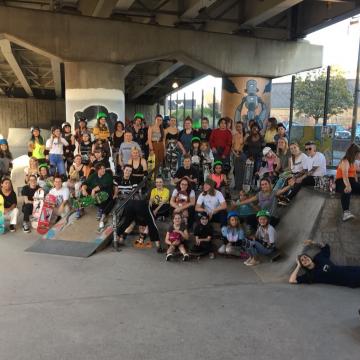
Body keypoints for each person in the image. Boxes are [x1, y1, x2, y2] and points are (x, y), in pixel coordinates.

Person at [289, 240, 360, 287]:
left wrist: (313, 242)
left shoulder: (319, 258)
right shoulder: (310, 275)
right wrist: (298, 265)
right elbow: (292, 280)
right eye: (302, 260)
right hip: (350, 279)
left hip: (352, 269)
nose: (305, 259)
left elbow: (324, 246)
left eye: (305, 257)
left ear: (309, 257)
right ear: (303, 265)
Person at [81, 163, 115, 230]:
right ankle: (81, 207)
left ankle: (100, 208)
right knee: (83, 192)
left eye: (104, 168)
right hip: (95, 195)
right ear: (97, 170)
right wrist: (83, 189)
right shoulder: (94, 175)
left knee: (103, 195)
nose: (103, 170)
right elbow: (85, 183)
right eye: (101, 169)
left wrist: (93, 190)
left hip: (105, 194)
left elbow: (103, 185)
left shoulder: (108, 176)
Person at [335, 143, 360, 221]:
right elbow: (345, 176)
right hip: (341, 181)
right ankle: (346, 213)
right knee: (347, 190)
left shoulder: (353, 162)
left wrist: (356, 184)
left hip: (350, 181)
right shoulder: (345, 161)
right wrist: (348, 186)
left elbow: (355, 175)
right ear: (355, 153)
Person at [232, 120, 247, 191]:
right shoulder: (234, 135)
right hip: (235, 154)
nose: (238, 128)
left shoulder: (246, 135)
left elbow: (244, 145)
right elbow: (231, 146)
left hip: (243, 154)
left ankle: (242, 186)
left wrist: (239, 152)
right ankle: (237, 185)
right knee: (236, 171)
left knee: (243, 171)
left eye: (239, 126)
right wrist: (235, 154)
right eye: (237, 127)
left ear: (242, 127)